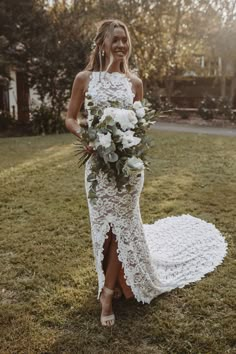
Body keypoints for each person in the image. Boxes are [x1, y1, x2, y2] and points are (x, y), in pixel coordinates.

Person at [65, 19, 228, 327]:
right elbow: (71, 118)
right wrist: (86, 138)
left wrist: (131, 142)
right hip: (98, 168)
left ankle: (108, 293)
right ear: (101, 44)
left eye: (125, 39)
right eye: (116, 39)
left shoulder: (135, 83)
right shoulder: (84, 79)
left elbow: (139, 124)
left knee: (123, 227)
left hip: (129, 168)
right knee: (107, 229)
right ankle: (111, 284)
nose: (122, 45)